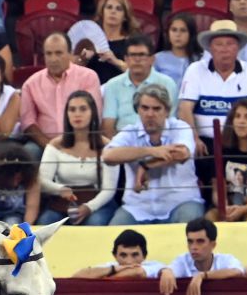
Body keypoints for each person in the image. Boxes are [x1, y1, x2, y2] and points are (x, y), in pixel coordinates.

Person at [103, 84, 205, 225]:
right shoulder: (129, 132)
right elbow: (108, 156)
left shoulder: (180, 127)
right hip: (137, 208)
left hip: (180, 203)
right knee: (114, 231)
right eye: (145, 108)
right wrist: (150, 151)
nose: (150, 114)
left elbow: (182, 153)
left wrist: (146, 165)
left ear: (167, 111)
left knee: (192, 223)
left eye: (156, 109)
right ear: (137, 110)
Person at [179, 20, 247, 160]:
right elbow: (185, 109)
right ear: (210, 48)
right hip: (204, 143)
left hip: (242, 143)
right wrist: (194, 138)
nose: (224, 49)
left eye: (230, 44)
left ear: (238, 47)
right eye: (219, 44)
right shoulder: (195, 70)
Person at [38, 90, 119, 226]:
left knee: (95, 222)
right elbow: (42, 181)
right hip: (62, 203)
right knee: (45, 222)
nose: (77, 114)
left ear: (93, 113)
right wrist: (59, 189)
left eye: (83, 109)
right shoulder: (55, 145)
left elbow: (109, 190)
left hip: (98, 202)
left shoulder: (107, 146)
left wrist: (89, 207)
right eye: (72, 110)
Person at [20, 33, 103, 157]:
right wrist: (50, 147)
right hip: (44, 143)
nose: (53, 59)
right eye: (49, 54)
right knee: (28, 152)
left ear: (70, 54)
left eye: (58, 53)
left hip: (81, 141)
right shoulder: (31, 84)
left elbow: (93, 116)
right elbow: (28, 123)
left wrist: (73, 146)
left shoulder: (88, 77)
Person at [102, 35, 179, 136]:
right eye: (133, 55)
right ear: (126, 59)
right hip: (123, 141)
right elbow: (108, 126)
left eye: (142, 55)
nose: (137, 59)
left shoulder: (168, 84)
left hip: (159, 140)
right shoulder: (112, 85)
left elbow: (171, 123)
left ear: (152, 59)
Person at [158, 217, 245, 295]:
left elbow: (237, 271)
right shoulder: (182, 261)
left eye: (200, 241)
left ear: (213, 245)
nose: (194, 247)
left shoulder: (225, 259)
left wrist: (203, 275)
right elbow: (162, 269)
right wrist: (165, 270)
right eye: (190, 242)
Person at [207, 97, 247, 221]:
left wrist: (243, 210)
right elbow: (217, 189)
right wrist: (224, 207)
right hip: (230, 205)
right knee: (211, 217)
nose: (241, 121)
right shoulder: (222, 149)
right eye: (237, 116)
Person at [79, 0, 139, 85]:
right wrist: (83, 60)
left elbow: (139, 73)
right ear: (102, 12)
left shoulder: (132, 42)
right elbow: (71, 71)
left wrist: (115, 61)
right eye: (109, 7)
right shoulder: (89, 40)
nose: (113, 11)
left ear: (125, 17)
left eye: (118, 9)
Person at [71, 228, 166, 279]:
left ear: (144, 256)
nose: (129, 261)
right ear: (115, 256)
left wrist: (104, 278)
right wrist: (113, 269)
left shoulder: (156, 266)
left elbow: (138, 272)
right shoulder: (111, 267)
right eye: (123, 255)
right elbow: (77, 276)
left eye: (135, 255)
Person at [154, 13, 202, 90]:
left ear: (191, 34)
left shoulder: (201, 60)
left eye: (183, 30)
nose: (178, 35)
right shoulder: (157, 59)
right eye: (174, 30)